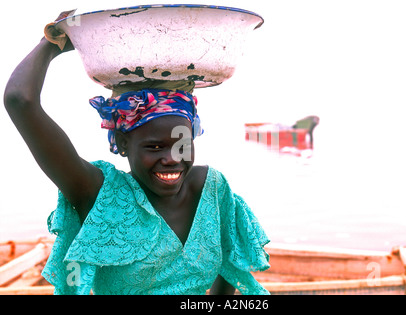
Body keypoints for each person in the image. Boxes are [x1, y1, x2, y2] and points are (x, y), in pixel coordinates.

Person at [3, 12, 270, 295]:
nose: (173, 158)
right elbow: (20, 100)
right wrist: (52, 42)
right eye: (154, 147)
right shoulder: (98, 194)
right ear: (122, 142)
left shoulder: (212, 190)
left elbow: (227, 275)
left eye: (183, 144)